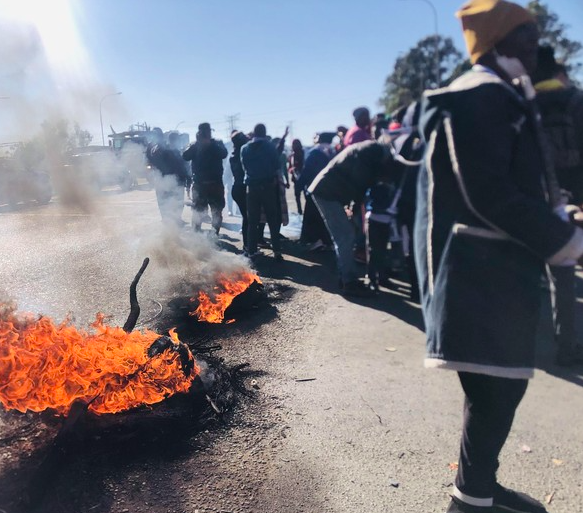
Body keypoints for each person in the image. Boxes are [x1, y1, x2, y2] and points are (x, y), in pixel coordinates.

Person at [414, 2, 583, 512]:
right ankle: (470, 501)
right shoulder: (481, 96)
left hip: (489, 267)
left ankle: (476, 491)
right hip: (477, 269)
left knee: (496, 389)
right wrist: (561, 238)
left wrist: (558, 211)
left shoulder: (500, 94)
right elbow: (486, 191)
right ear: (499, 43)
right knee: (496, 391)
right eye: (527, 37)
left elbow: (511, 182)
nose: (537, 46)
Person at [532, 45, 583, 366]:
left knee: (529, 273)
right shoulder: (576, 102)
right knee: (564, 276)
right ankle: (568, 346)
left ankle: (521, 345)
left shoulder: (522, 104)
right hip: (572, 202)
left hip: (532, 201)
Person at [308, 139, 397, 296]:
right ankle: (349, 282)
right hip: (327, 192)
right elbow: (361, 180)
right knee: (345, 235)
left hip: (329, 191)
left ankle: (347, 277)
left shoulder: (369, 150)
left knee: (346, 234)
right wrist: (355, 205)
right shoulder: (370, 153)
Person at [240, 123, 283, 261]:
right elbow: (277, 165)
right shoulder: (270, 146)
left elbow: (244, 167)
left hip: (251, 188)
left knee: (252, 221)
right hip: (267, 186)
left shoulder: (244, 148)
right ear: (265, 133)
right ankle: (276, 250)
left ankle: (252, 250)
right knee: (272, 219)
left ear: (254, 133)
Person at [182, 122, 228, 235]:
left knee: (216, 212)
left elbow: (224, 154)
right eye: (205, 132)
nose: (207, 133)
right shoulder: (194, 145)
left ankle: (214, 235)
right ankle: (196, 235)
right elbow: (185, 156)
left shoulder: (217, 144)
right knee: (198, 212)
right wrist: (198, 144)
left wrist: (209, 144)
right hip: (200, 185)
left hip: (215, 184)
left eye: (208, 131)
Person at [298, 132, 336, 251]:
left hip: (315, 189)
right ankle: (328, 240)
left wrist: (299, 186)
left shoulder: (314, 152)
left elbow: (307, 171)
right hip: (330, 189)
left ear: (319, 139)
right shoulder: (333, 152)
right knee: (327, 216)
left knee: (313, 216)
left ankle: (316, 241)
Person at [146, 127, 190, 227]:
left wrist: (186, 179)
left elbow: (183, 166)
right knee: (164, 202)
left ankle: (175, 220)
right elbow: (150, 163)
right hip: (164, 180)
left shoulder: (174, 150)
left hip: (175, 181)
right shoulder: (155, 148)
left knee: (176, 202)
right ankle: (167, 220)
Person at [230, 130, 250, 251]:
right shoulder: (243, 154)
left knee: (247, 218)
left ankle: (248, 245)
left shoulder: (234, 154)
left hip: (236, 188)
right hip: (242, 189)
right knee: (248, 219)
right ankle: (248, 247)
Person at [288, 139, 305, 214]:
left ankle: (302, 211)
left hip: (302, 177)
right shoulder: (292, 155)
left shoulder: (302, 153)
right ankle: (300, 211)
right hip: (296, 178)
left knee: (303, 195)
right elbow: (290, 166)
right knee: (298, 196)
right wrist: (291, 169)